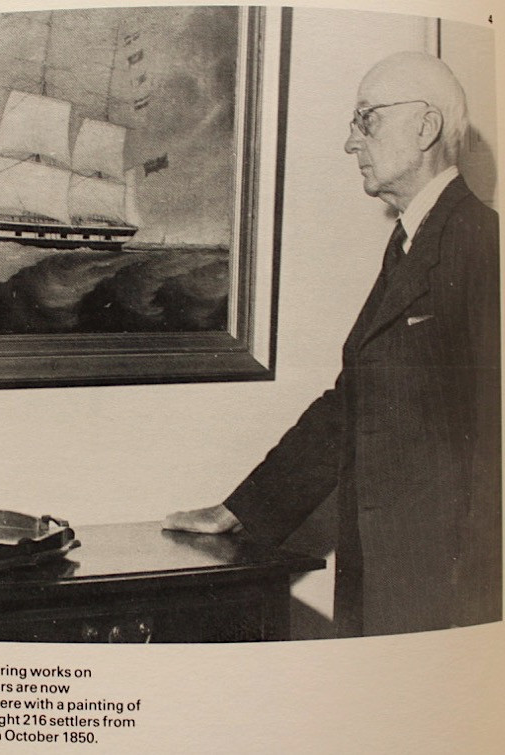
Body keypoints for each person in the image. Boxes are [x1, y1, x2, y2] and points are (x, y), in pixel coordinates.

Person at [163, 51, 501, 637]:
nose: (351, 142)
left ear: (426, 127)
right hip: (387, 575)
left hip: (451, 595)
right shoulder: (412, 241)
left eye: (367, 119)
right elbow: (354, 403)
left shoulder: (482, 243)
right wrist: (240, 510)